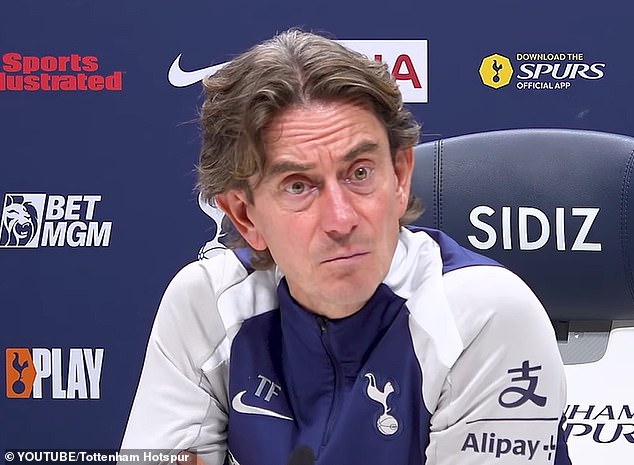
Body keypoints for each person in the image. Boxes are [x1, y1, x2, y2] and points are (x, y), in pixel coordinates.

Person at [121, 29, 571, 465]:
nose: (341, 220)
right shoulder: (207, 306)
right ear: (244, 216)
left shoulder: (482, 315)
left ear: (400, 176)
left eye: (360, 173)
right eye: (298, 186)